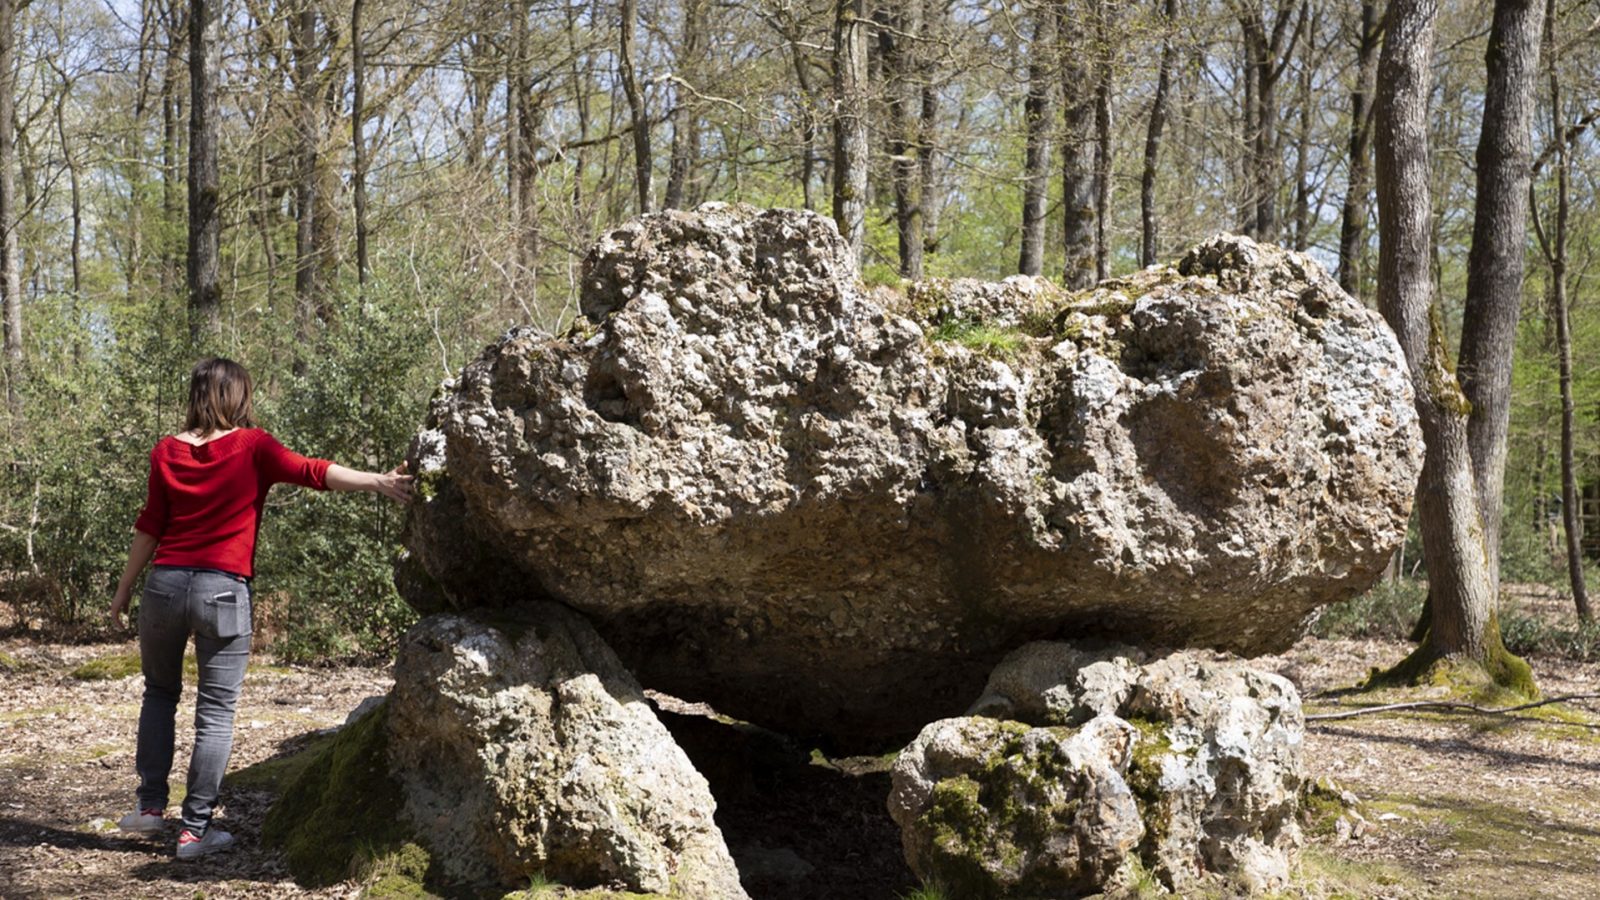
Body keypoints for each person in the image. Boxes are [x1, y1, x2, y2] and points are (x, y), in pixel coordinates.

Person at [106, 357, 413, 860]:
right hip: (222, 590)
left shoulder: (166, 451)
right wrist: (378, 481)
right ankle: (194, 832)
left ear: (196, 395)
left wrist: (124, 589)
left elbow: (150, 525)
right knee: (215, 712)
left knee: (159, 694)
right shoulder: (253, 446)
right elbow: (314, 472)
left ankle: (149, 807)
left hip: (164, 587)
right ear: (237, 396)